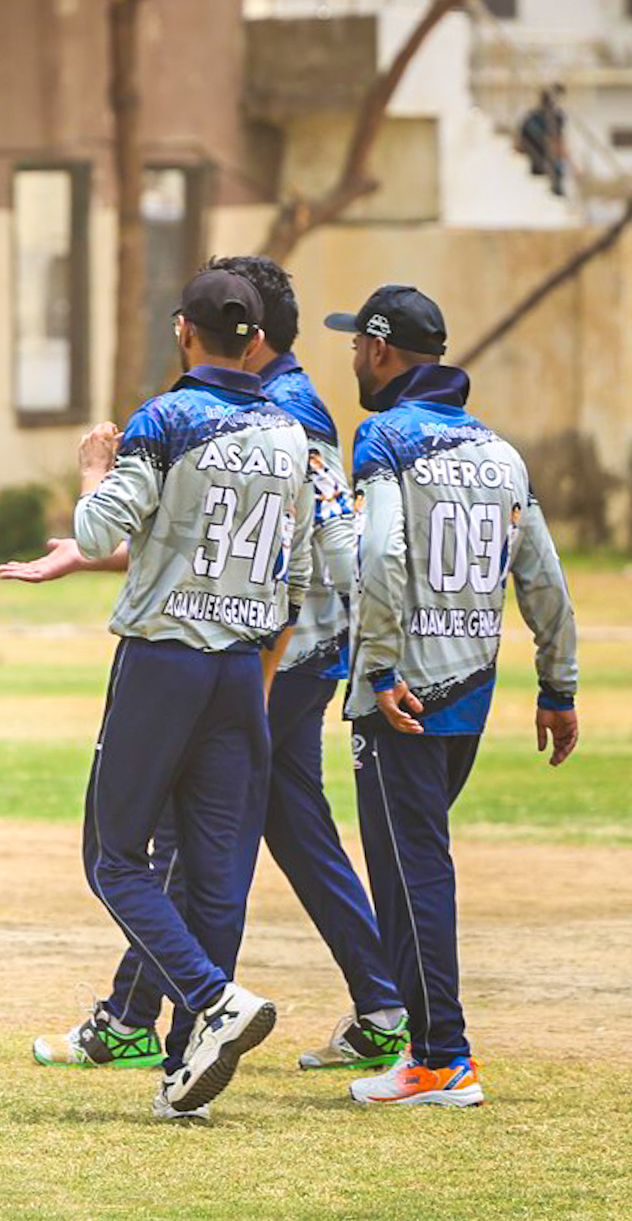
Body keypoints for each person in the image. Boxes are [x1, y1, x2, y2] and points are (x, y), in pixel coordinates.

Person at [7, 256, 407, 1074]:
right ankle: (367, 1005)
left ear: (197, 331)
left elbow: (292, 547)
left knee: (157, 846)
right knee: (272, 835)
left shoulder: (250, 413)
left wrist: (93, 486)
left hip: (240, 656)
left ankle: (170, 1009)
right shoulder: (283, 417)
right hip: (264, 646)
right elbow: (260, 552)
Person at [323, 285, 579, 1107]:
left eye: (356, 346)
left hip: (402, 700)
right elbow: (543, 575)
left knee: (413, 882)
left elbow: (381, 555)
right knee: (415, 875)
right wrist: (558, 684)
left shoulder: (385, 436)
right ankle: (429, 1048)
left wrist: (380, 671)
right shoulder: (500, 452)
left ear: (380, 349)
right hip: (469, 694)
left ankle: (441, 1058)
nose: (353, 360)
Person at [69, 268, 313, 1120]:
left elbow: (98, 530)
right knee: (216, 878)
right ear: (255, 340)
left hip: (164, 659)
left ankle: (214, 1000)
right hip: (242, 667)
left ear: (183, 330)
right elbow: (302, 574)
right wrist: (261, 673)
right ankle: (186, 1071)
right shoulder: (290, 433)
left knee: (114, 857)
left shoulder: (167, 418)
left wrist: (95, 469)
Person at [517, 85, 568, 197]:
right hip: (545, 165)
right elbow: (558, 142)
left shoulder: (530, 117)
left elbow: (520, 145)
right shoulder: (556, 116)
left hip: (536, 166)